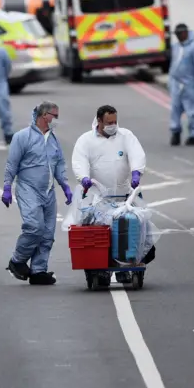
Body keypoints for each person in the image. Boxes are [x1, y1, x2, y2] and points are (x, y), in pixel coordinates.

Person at [71, 104, 155, 285]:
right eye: (109, 122)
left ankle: (128, 263)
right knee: (99, 235)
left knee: (136, 228)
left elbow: (136, 154)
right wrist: (84, 178)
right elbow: (79, 161)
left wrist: (136, 172)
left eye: (115, 121)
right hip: (99, 199)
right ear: (99, 121)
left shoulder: (126, 136)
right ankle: (99, 268)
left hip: (125, 197)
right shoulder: (86, 141)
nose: (113, 125)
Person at [2, 101, 73, 285]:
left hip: (48, 191)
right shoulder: (22, 137)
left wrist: (65, 187)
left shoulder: (53, 139)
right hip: (28, 189)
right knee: (34, 228)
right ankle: (17, 260)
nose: (56, 119)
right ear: (44, 115)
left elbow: (59, 164)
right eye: (54, 115)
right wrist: (7, 187)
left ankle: (38, 270)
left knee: (48, 233)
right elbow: (12, 164)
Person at [168, 23, 194, 146]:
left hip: (189, 84)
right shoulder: (175, 47)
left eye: (180, 34)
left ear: (185, 33)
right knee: (175, 109)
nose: (179, 36)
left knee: (192, 111)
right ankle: (175, 133)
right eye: (177, 34)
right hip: (176, 84)